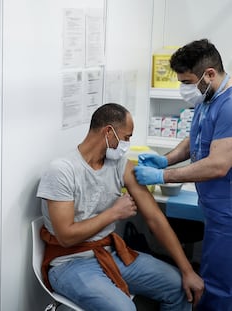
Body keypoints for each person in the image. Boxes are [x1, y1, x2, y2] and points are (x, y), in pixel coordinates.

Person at [36, 103, 204, 311]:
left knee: (179, 286)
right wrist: (113, 213)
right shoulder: (62, 170)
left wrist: (187, 270)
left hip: (110, 253)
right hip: (69, 263)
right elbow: (66, 236)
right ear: (108, 131)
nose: (128, 144)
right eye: (126, 137)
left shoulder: (119, 165)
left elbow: (155, 219)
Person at [134, 39, 232, 311]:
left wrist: (162, 177)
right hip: (215, 208)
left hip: (228, 211)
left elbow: (218, 165)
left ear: (209, 73)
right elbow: (195, 140)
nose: (184, 89)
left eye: (187, 81)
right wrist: (165, 160)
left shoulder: (230, 106)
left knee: (221, 284)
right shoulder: (207, 98)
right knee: (213, 274)